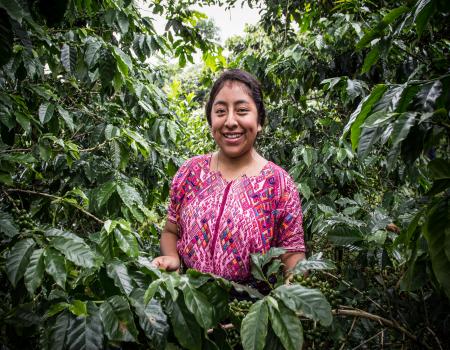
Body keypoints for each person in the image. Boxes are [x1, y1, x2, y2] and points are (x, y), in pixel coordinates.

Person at [152, 69, 305, 281]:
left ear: (259, 121)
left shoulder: (279, 184)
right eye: (221, 111)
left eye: (242, 110)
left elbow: (293, 253)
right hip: (190, 303)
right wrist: (172, 258)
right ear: (210, 120)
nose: (230, 121)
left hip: (252, 310)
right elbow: (171, 231)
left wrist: (292, 300)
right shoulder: (190, 172)